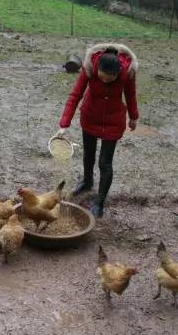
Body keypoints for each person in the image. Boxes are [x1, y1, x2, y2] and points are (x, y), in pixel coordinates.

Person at [57, 43, 139, 218]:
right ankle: (87, 182)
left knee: (105, 162)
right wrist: (64, 123)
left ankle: (100, 202)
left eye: (110, 78)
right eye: (102, 76)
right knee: (88, 154)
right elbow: (75, 95)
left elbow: (130, 95)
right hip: (90, 117)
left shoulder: (127, 73)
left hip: (113, 121)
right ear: (97, 68)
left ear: (118, 72)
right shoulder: (89, 69)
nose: (105, 80)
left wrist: (133, 117)